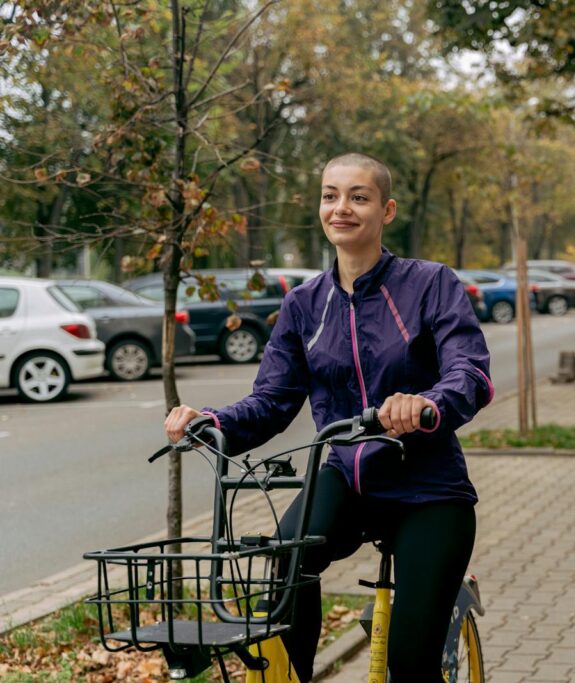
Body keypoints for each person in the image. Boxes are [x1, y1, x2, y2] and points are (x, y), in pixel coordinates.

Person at [164, 153, 494, 683]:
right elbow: (271, 400)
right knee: (287, 559)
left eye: (358, 197)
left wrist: (428, 404)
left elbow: (471, 373)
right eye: (330, 195)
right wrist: (212, 422)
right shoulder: (303, 304)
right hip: (345, 475)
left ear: (386, 210)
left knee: (412, 663)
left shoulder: (430, 284)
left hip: (429, 487)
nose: (341, 207)